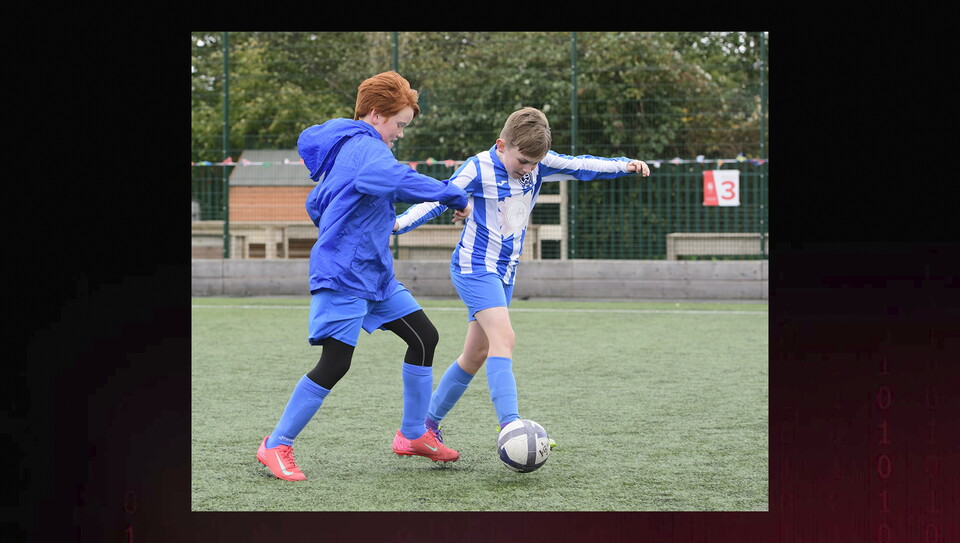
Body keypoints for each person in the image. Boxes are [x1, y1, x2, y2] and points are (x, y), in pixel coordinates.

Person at [256, 71, 471, 481]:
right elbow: (389, 178)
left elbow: (322, 203)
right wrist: (451, 192)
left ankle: (412, 435)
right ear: (376, 115)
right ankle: (275, 444)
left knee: (424, 337)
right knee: (335, 363)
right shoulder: (366, 148)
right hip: (344, 274)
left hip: (375, 275)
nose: (401, 135)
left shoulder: (354, 149)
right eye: (400, 124)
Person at [393, 107, 650, 448]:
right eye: (523, 161)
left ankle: (421, 429)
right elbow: (438, 199)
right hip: (474, 268)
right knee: (505, 339)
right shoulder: (477, 168)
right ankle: (512, 428)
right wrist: (397, 225)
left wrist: (624, 165)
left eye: (534, 164)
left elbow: (582, 165)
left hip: (505, 273)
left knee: (475, 354)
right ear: (502, 145)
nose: (528, 169)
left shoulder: (539, 163)